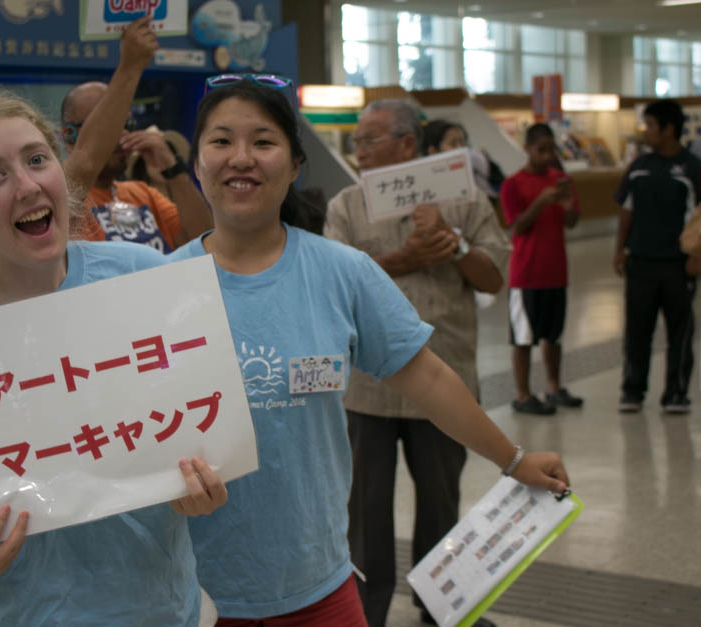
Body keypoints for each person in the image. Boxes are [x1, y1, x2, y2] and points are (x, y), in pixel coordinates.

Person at [170, 75, 570, 626]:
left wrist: (514, 460)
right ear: (197, 163)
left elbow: (427, 378)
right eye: (221, 141)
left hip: (319, 588)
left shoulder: (341, 271)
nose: (241, 158)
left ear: (293, 164)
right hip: (193, 596)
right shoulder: (161, 288)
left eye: (263, 142)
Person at [0, 19, 226, 626]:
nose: (27, 184)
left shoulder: (142, 279)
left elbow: (202, 435)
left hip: (157, 610)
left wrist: (202, 488)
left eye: (38, 160)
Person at [326, 103, 510, 627]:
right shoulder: (347, 205)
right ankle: (366, 613)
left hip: (444, 384)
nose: (358, 150)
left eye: (370, 139)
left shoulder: (466, 201)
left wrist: (454, 246)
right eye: (356, 141)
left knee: (441, 506)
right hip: (367, 390)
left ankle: (442, 607)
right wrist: (405, 258)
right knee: (364, 515)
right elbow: (331, 287)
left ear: (408, 145)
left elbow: (494, 277)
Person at [613, 99, 701, 414]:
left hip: (679, 266)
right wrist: (619, 250)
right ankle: (632, 390)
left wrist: (697, 258)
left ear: (668, 129)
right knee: (637, 330)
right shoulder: (638, 169)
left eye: (650, 125)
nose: (645, 131)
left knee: (681, 332)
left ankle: (676, 393)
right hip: (641, 263)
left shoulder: (692, 169)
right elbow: (626, 211)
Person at [60, 81, 213, 252]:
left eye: (127, 124)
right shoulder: (59, 200)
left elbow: (205, 246)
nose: (122, 133)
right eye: (107, 126)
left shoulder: (144, 194)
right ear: (68, 135)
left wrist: (173, 169)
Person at [499, 123, 583, 416]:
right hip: (526, 275)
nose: (547, 156)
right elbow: (516, 226)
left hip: (556, 272)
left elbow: (571, 222)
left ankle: (554, 387)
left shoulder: (562, 180)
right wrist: (539, 203)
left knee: (554, 336)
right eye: (541, 150)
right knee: (523, 339)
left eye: (551, 150)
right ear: (528, 149)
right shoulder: (513, 184)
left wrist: (568, 206)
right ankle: (523, 394)